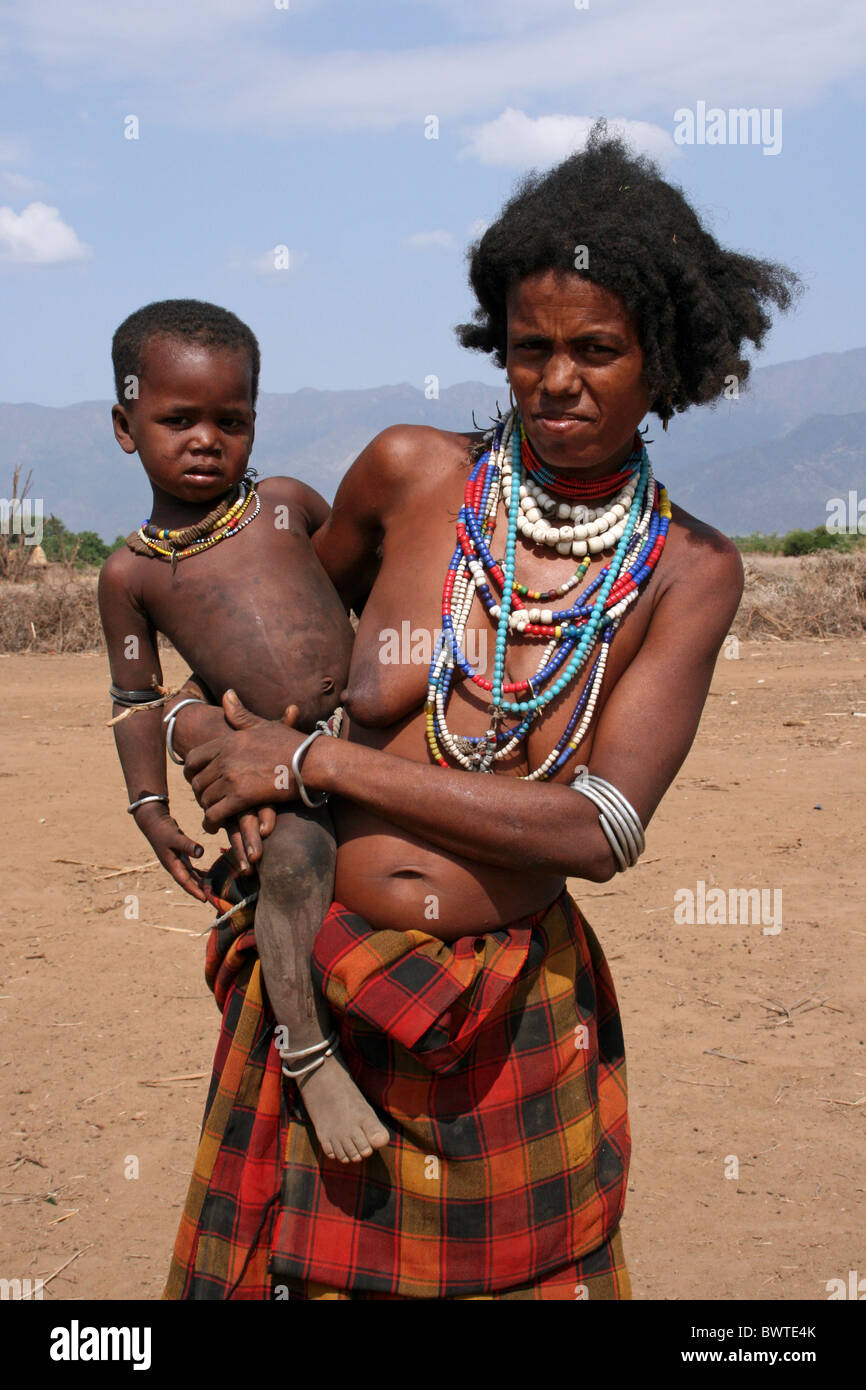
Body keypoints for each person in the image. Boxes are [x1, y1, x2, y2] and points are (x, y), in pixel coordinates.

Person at [162, 127, 800, 1300]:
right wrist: (215, 739)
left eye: (597, 349)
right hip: (323, 991)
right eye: (528, 348)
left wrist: (316, 768)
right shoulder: (411, 476)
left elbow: (598, 828)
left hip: (510, 1013)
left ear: (660, 359)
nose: (557, 380)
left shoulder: (685, 570)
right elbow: (271, 636)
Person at [98, 299, 389, 1163]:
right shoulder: (132, 575)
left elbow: (377, 601)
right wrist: (151, 803)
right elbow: (134, 696)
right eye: (176, 419)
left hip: (367, 730)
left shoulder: (287, 507)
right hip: (273, 766)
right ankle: (309, 1052)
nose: (204, 440)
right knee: (295, 863)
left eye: (230, 420)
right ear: (125, 426)